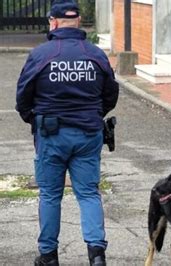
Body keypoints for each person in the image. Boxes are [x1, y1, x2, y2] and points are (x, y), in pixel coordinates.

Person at [15, 0, 119, 265]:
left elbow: (23, 97)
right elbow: (111, 94)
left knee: (50, 194)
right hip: (88, 133)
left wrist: (35, 121)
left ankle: (48, 255)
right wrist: (94, 115)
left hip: (51, 135)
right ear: (79, 22)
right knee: (88, 193)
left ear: (53, 22)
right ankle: (97, 254)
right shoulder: (95, 54)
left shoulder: (41, 54)